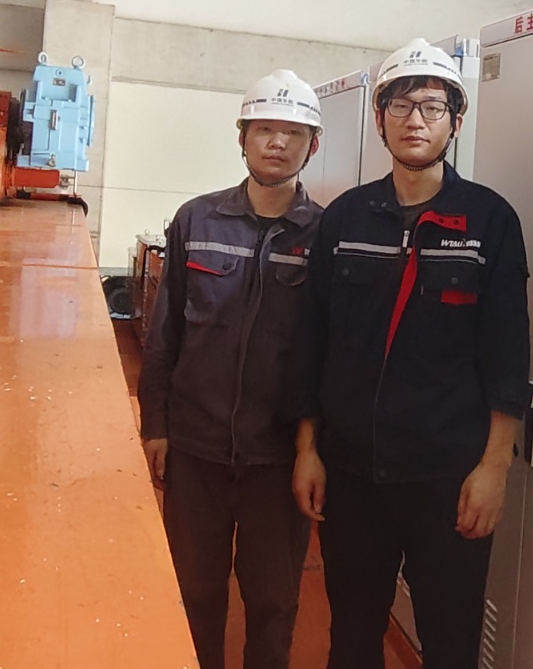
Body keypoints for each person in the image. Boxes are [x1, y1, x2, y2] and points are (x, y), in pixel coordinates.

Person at [290, 39, 532, 669]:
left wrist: (494, 468)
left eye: (431, 106)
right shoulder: (346, 219)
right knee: (352, 640)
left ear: (456, 120)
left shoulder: (488, 220)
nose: (415, 120)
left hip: (447, 479)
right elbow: (314, 342)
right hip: (352, 476)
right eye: (399, 105)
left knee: (450, 646)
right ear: (379, 120)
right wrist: (308, 450)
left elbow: (508, 352)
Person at [138, 69, 324, 669]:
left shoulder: (324, 235)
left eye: (293, 133)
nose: (278, 142)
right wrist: (155, 425)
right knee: (193, 594)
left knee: (273, 602)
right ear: (242, 137)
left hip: (277, 458)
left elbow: (327, 354)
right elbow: (164, 332)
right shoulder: (197, 221)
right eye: (265, 129)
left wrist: (313, 449)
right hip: (196, 447)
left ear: (313, 145)